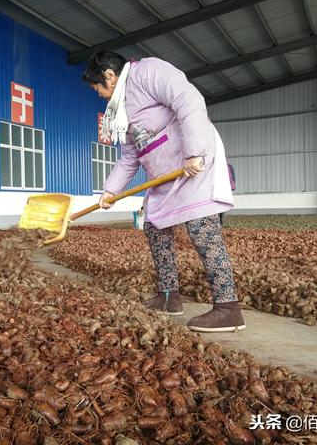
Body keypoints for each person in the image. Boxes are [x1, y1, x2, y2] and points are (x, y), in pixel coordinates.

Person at [82, 51, 245, 332]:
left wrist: (194, 152)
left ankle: (228, 308)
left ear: (109, 75)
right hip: (163, 175)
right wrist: (110, 191)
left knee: (201, 230)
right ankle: (169, 297)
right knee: (154, 228)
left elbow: (188, 100)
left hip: (192, 164)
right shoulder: (122, 109)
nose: (98, 94)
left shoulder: (147, 72)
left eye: (96, 87)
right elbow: (131, 156)